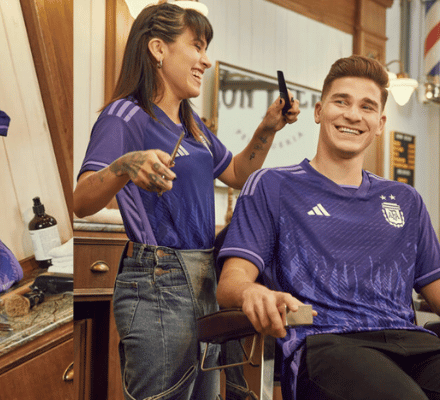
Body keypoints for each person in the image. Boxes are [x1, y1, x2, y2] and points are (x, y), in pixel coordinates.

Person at [74, 2, 299, 399]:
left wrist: (267, 128)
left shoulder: (194, 128)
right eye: (197, 46)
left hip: (205, 279)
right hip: (158, 281)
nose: (206, 60)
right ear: (158, 49)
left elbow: (239, 174)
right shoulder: (124, 116)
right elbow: (81, 199)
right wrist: (126, 164)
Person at [216, 54, 440, 400]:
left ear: (381, 122)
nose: (353, 115)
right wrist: (254, 293)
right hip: (327, 343)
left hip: (413, 342)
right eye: (341, 101)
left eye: (367, 107)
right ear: (318, 111)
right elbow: (231, 284)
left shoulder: (405, 200)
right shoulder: (272, 185)